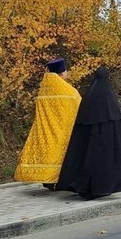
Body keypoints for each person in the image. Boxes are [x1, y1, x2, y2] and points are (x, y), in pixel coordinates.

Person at [57, 66, 121, 199]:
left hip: (88, 138)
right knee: (104, 160)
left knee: (87, 159)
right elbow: (116, 121)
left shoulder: (88, 98)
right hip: (106, 138)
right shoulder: (109, 98)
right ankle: (103, 187)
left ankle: (84, 186)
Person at [14, 58, 81, 190]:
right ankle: (59, 180)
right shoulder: (69, 92)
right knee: (60, 155)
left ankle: (47, 179)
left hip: (45, 129)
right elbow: (78, 107)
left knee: (48, 153)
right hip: (63, 129)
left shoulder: (44, 90)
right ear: (62, 73)